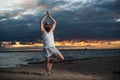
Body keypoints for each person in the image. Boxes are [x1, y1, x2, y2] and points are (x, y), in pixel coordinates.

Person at [40, 11, 64, 76]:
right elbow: (41, 21)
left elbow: (55, 22)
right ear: (45, 26)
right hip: (46, 48)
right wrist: (46, 15)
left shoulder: (51, 31)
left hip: (53, 47)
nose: (48, 25)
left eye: (49, 24)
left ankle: (52, 64)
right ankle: (48, 73)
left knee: (61, 58)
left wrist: (49, 16)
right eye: (46, 24)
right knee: (47, 62)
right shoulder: (43, 31)